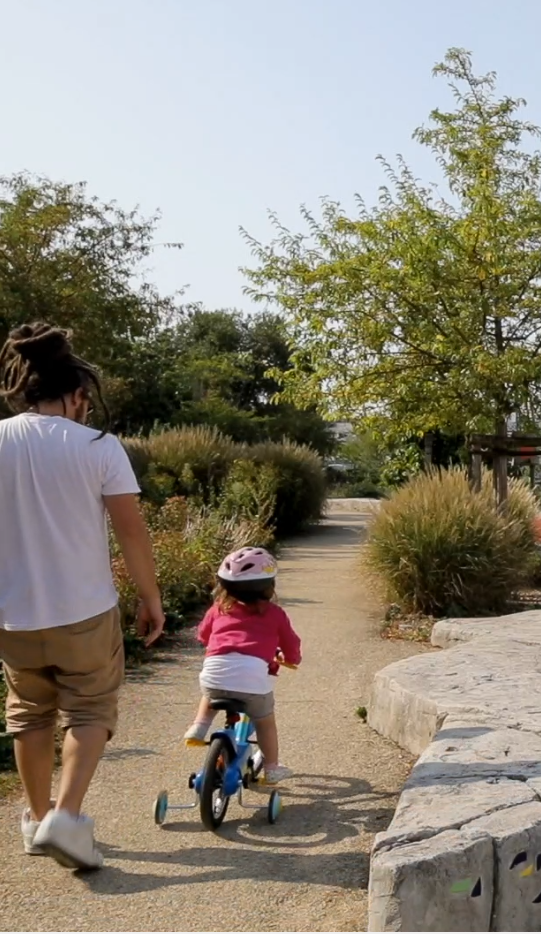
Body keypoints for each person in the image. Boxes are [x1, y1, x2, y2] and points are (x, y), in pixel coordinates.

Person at [0, 322, 165, 871]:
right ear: (75, 395)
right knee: (89, 708)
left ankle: (36, 818)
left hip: (12, 615)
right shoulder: (99, 447)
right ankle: (66, 820)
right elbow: (131, 532)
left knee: (29, 714)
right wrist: (150, 598)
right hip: (84, 610)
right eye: (85, 402)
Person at [182, 547, 301, 784]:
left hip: (214, 672)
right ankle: (272, 767)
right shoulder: (275, 614)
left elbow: (203, 635)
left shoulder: (218, 608)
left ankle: (199, 726)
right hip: (252, 681)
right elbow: (291, 644)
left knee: (212, 690)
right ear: (269, 586)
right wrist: (291, 659)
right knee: (265, 721)